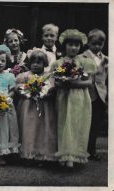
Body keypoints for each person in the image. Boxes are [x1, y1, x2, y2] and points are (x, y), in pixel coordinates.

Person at [50, 29, 97, 168]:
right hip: (63, 97)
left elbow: (89, 83)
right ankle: (64, 155)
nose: (73, 48)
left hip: (79, 97)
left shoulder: (85, 62)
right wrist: (62, 82)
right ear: (64, 46)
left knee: (76, 124)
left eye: (76, 45)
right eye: (70, 45)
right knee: (63, 123)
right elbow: (55, 82)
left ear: (80, 47)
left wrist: (72, 82)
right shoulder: (58, 63)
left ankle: (73, 155)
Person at [16, 50, 57, 163]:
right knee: (28, 128)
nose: (35, 64)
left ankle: (41, 153)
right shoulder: (24, 76)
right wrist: (26, 92)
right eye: (33, 62)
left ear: (44, 64)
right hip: (27, 106)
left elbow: (51, 90)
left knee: (42, 129)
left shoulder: (48, 77)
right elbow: (18, 89)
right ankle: (28, 153)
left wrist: (45, 94)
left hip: (44, 107)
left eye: (39, 62)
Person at [80, 29, 108, 161]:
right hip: (87, 94)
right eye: (94, 44)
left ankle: (92, 149)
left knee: (95, 124)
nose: (97, 47)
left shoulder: (106, 59)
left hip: (100, 95)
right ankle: (82, 149)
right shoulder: (82, 57)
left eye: (100, 44)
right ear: (88, 43)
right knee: (85, 122)